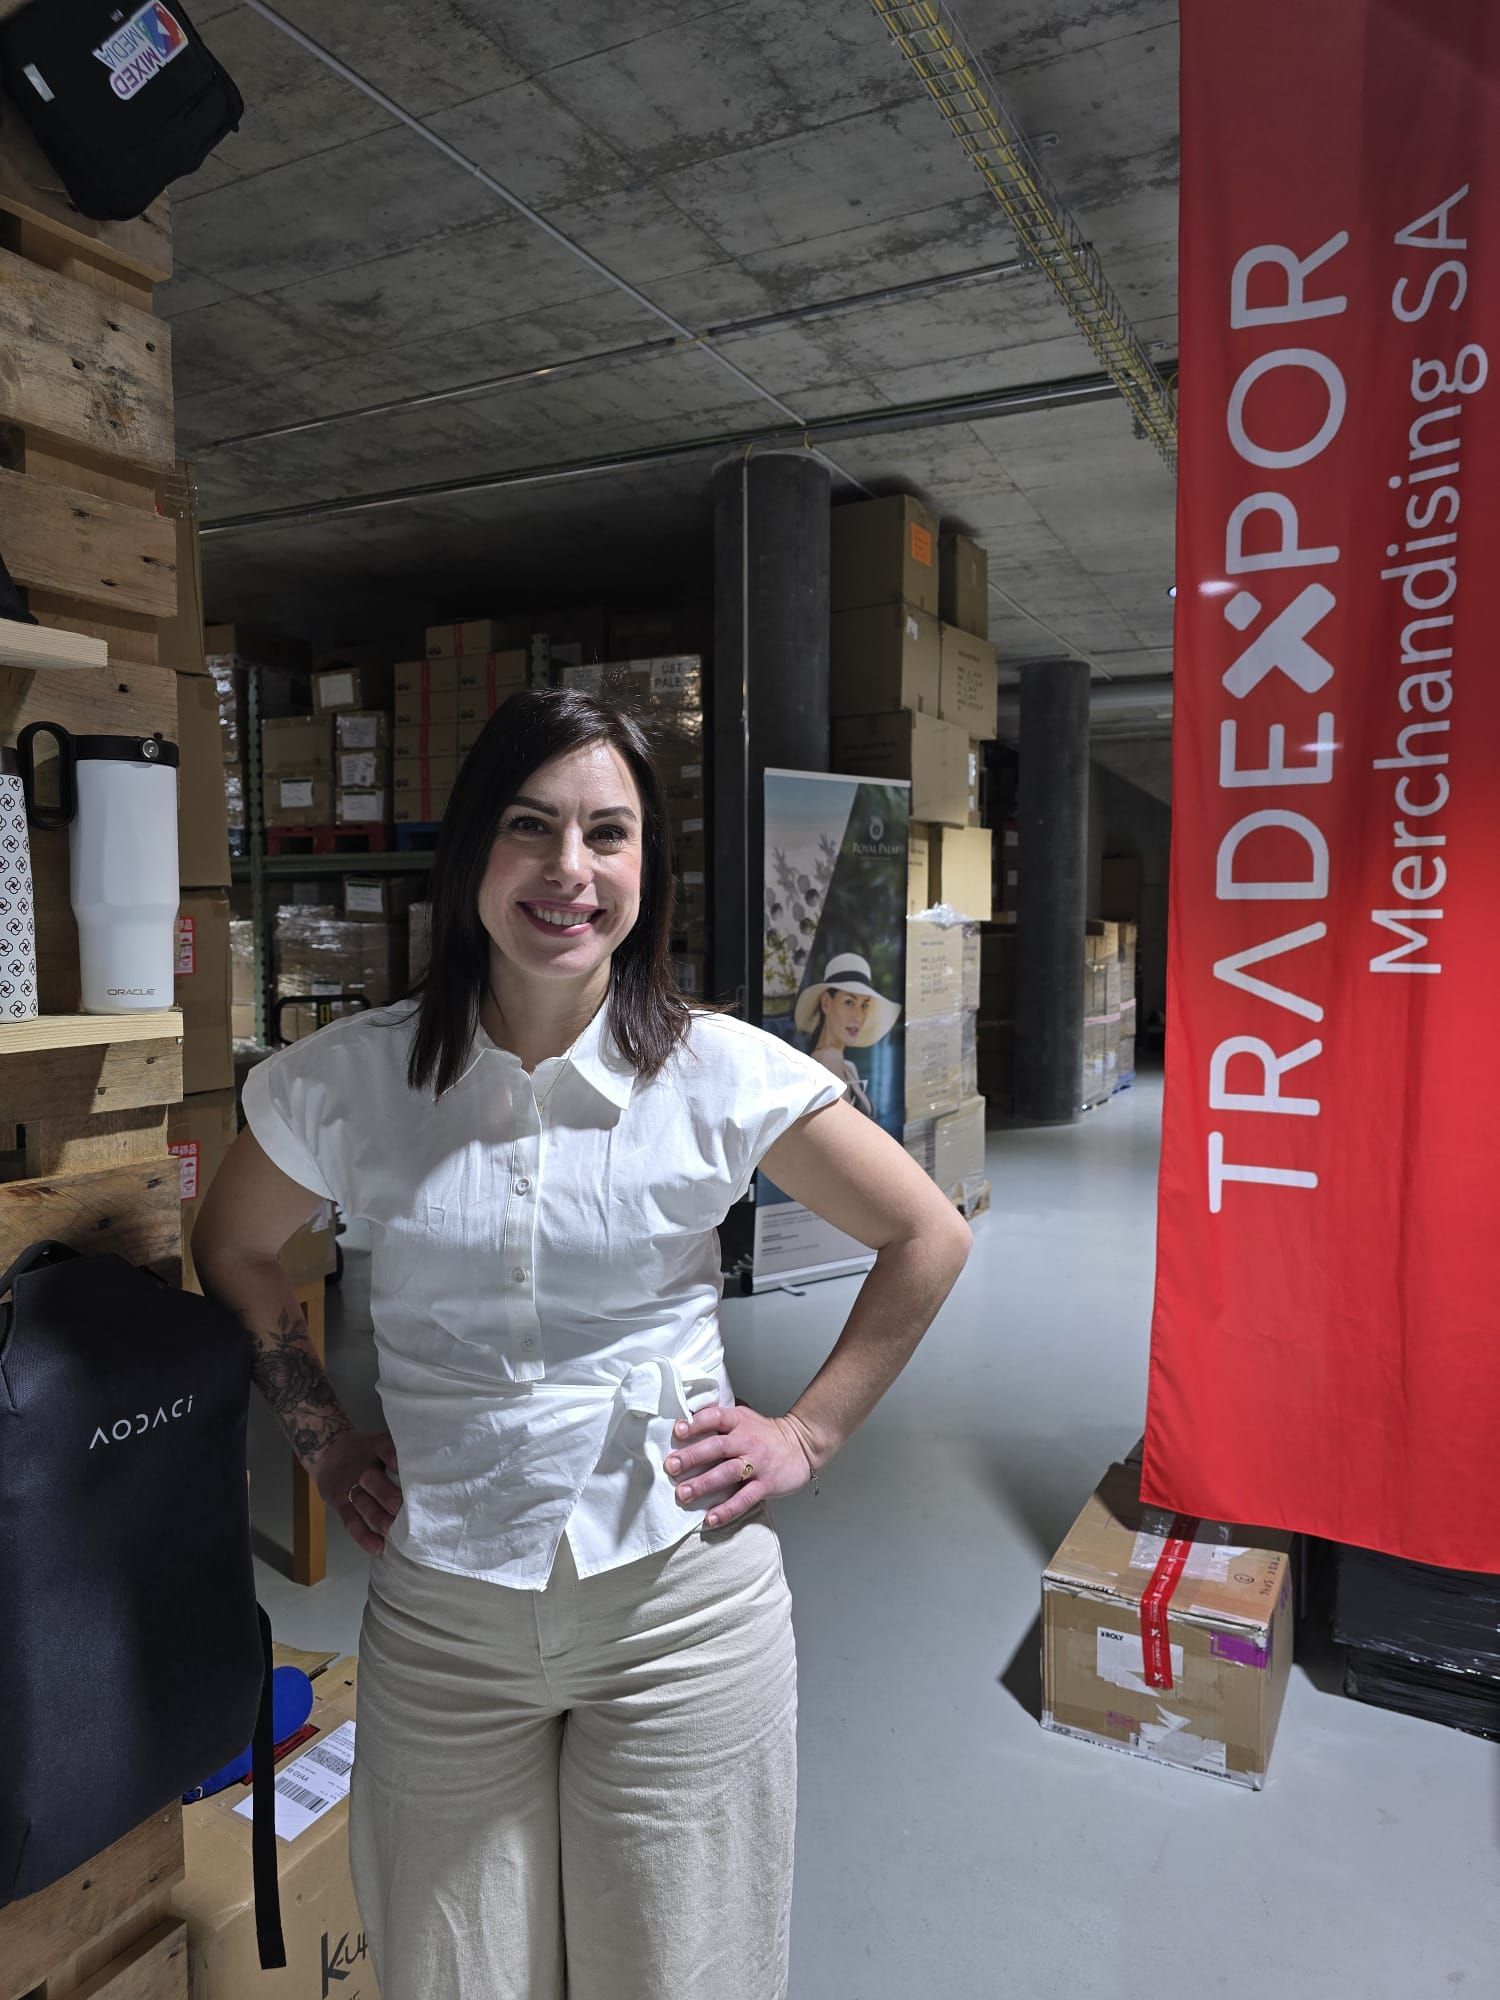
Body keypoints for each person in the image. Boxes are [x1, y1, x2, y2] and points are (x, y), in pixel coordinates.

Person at [194, 688, 971, 2000]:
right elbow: (234, 1241)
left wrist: (808, 1429)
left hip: (679, 1612)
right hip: (444, 1622)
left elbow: (926, 1233)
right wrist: (322, 1440)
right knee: (453, 1976)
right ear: (471, 855)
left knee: (678, 1974)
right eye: (529, 825)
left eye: (608, 833)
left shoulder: (718, 1072)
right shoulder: (356, 1079)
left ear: (645, 867)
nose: (570, 868)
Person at [795, 950, 902, 1119]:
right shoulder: (828, 1058)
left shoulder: (847, 1066)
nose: (858, 1016)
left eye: (864, 1005)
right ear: (826, 1003)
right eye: (849, 1002)